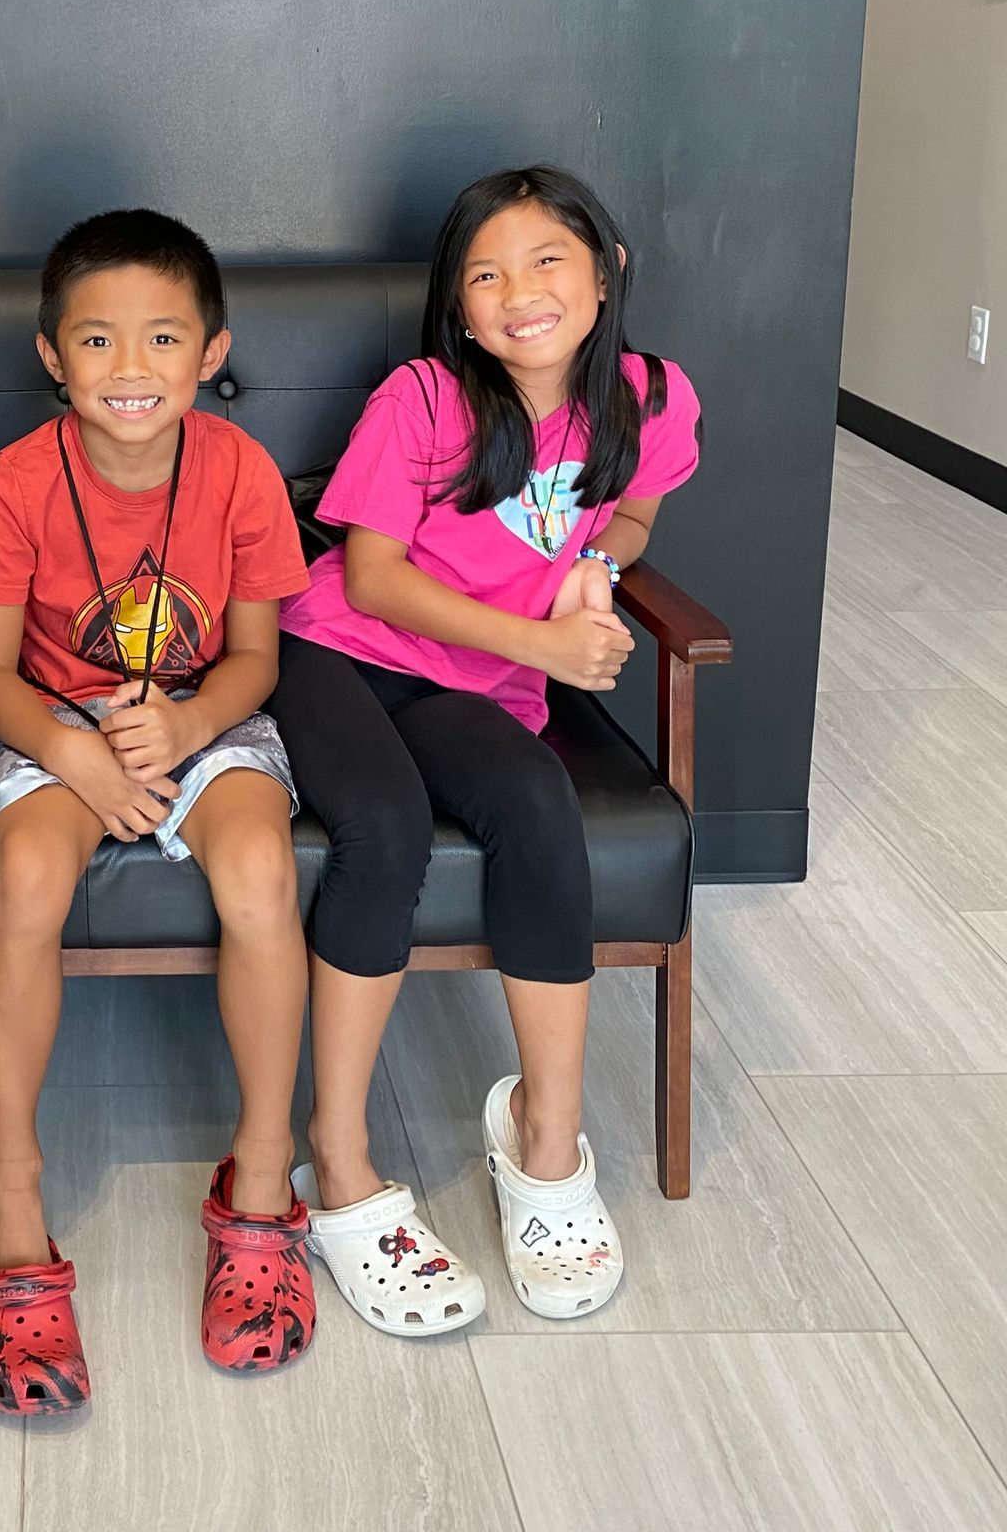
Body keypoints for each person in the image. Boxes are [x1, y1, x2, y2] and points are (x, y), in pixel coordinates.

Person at [270, 165, 700, 1331]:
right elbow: (370, 577)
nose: (520, 294)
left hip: (477, 682)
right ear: (459, 308)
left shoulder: (652, 397)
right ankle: (339, 1158)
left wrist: (596, 566)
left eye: (547, 261)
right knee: (384, 826)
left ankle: (547, 1142)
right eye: (487, 275)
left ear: (607, 273)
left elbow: (636, 507)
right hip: (338, 649)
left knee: (540, 806)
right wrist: (543, 642)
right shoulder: (422, 396)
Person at [0, 209, 314, 1414]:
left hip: (202, 715)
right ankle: (12, 1198)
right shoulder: (18, 479)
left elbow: (256, 658)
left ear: (210, 352)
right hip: (53, 724)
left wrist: (189, 726)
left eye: (162, 338)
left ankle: (261, 1178)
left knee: (260, 868)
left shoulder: (240, 469)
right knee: (25, 879)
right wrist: (79, 754)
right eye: (97, 339)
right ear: (52, 354)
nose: (130, 367)